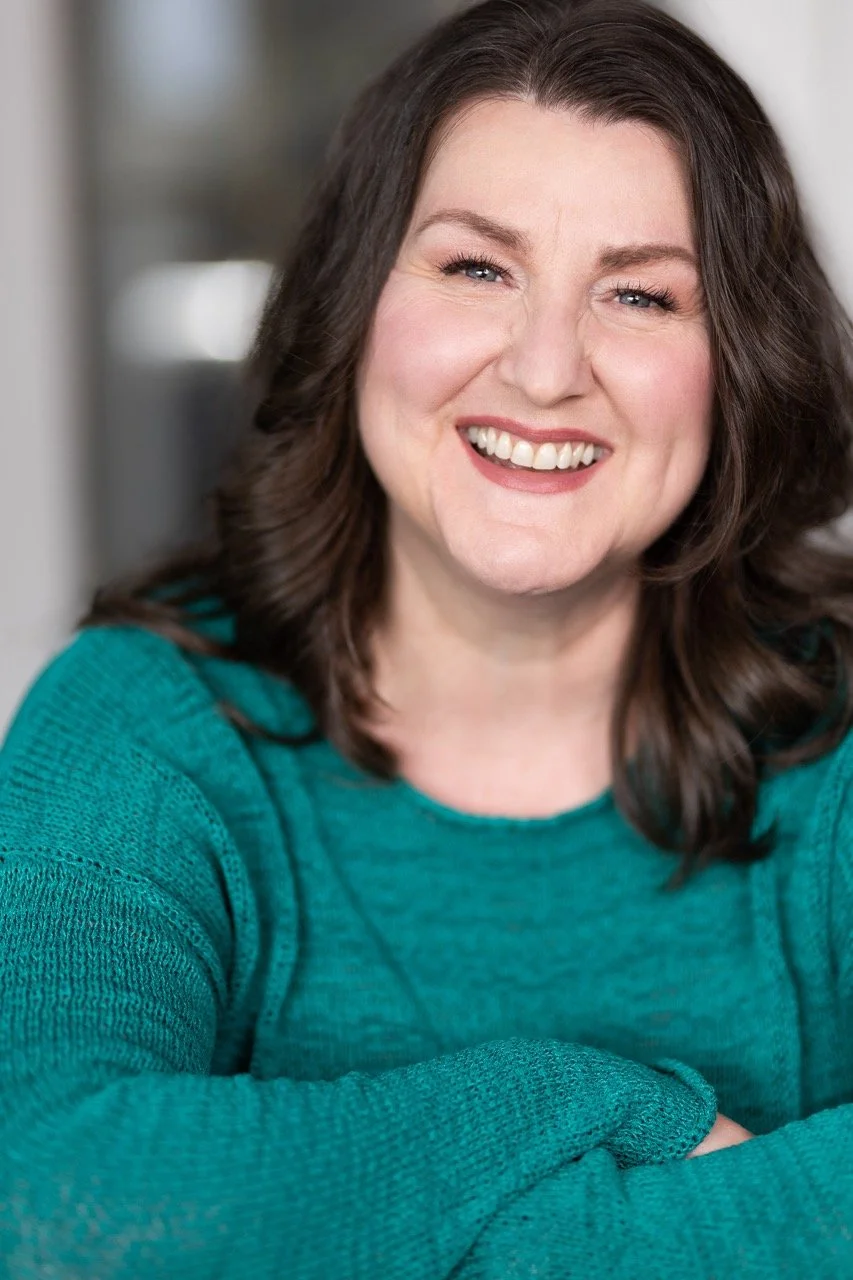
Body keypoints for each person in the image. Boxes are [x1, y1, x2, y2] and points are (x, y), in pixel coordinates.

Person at [2, 0, 852, 1273]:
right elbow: (46, 1204)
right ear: (354, 303)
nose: (546, 369)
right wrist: (593, 1102)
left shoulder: (838, 731)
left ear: (739, 364)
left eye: (639, 293)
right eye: (476, 268)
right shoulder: (141, 723)